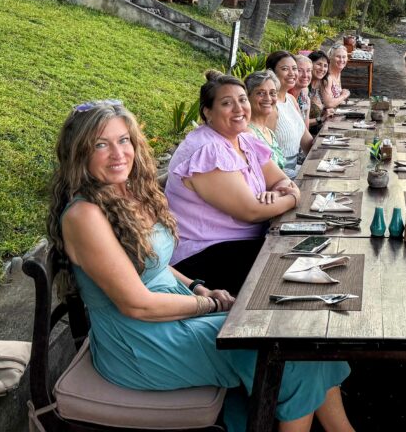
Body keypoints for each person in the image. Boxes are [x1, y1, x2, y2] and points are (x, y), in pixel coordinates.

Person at [46, 99, 353, 432]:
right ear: (79, 153)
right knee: (289, 356)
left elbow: (152, 262)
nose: (118, 153)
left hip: (172, 311)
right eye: (101, 145)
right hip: (140, 341)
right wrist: (209, 305)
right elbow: (137, 305)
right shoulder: (85, 216)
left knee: (301, 339)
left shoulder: (129, 192)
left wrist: (197, 287)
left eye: (123, 140)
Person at [165, 71, 300, 295]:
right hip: (203, 256)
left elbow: (280, 179)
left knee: (302, 251)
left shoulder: (243, 139)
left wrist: (278, 192)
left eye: (242, 100)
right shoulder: (208, 149)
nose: (239, 109)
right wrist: (293, 197)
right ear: (208, 112)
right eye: (227, 103)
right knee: (290, 264)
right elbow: (251, 211)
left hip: (242, 243)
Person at [267, 51, 314, 179]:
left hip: (294, 169)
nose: (292, 73)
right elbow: (266, 155)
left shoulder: (291, 99)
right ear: (272, 73)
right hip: (279, 175)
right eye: (285, 69)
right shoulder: (270, 106)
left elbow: (306, 140)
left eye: (294, 68)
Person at [246, 70, 287, 172]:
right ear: (247, 96)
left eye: (272, 93)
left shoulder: (269, 132)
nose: (268, 98)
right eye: (260, 93)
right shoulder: (248, 133)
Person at [320, 43, 351, 112]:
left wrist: (341, 95)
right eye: (338, 56)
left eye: (344, 57)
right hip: (322, 115)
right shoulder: (327, 76)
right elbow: (329, 104)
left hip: (334, 112)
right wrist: (344, 95)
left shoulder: (338, 72)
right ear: (330, 57)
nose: (341, 60)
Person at [292, 54, 315, 129]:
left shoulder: (305, 99)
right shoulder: (284, 98)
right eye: (300, 71)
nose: (305, 75)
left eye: (308, 71)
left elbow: (306, 130)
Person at [308, 50, 329, 124]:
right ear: (310, 65)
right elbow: (299, 122)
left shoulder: (322, 83)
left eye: (325, 66)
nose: (322, 69)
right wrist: (321, 119)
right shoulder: (303, 87)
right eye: (319, 64)